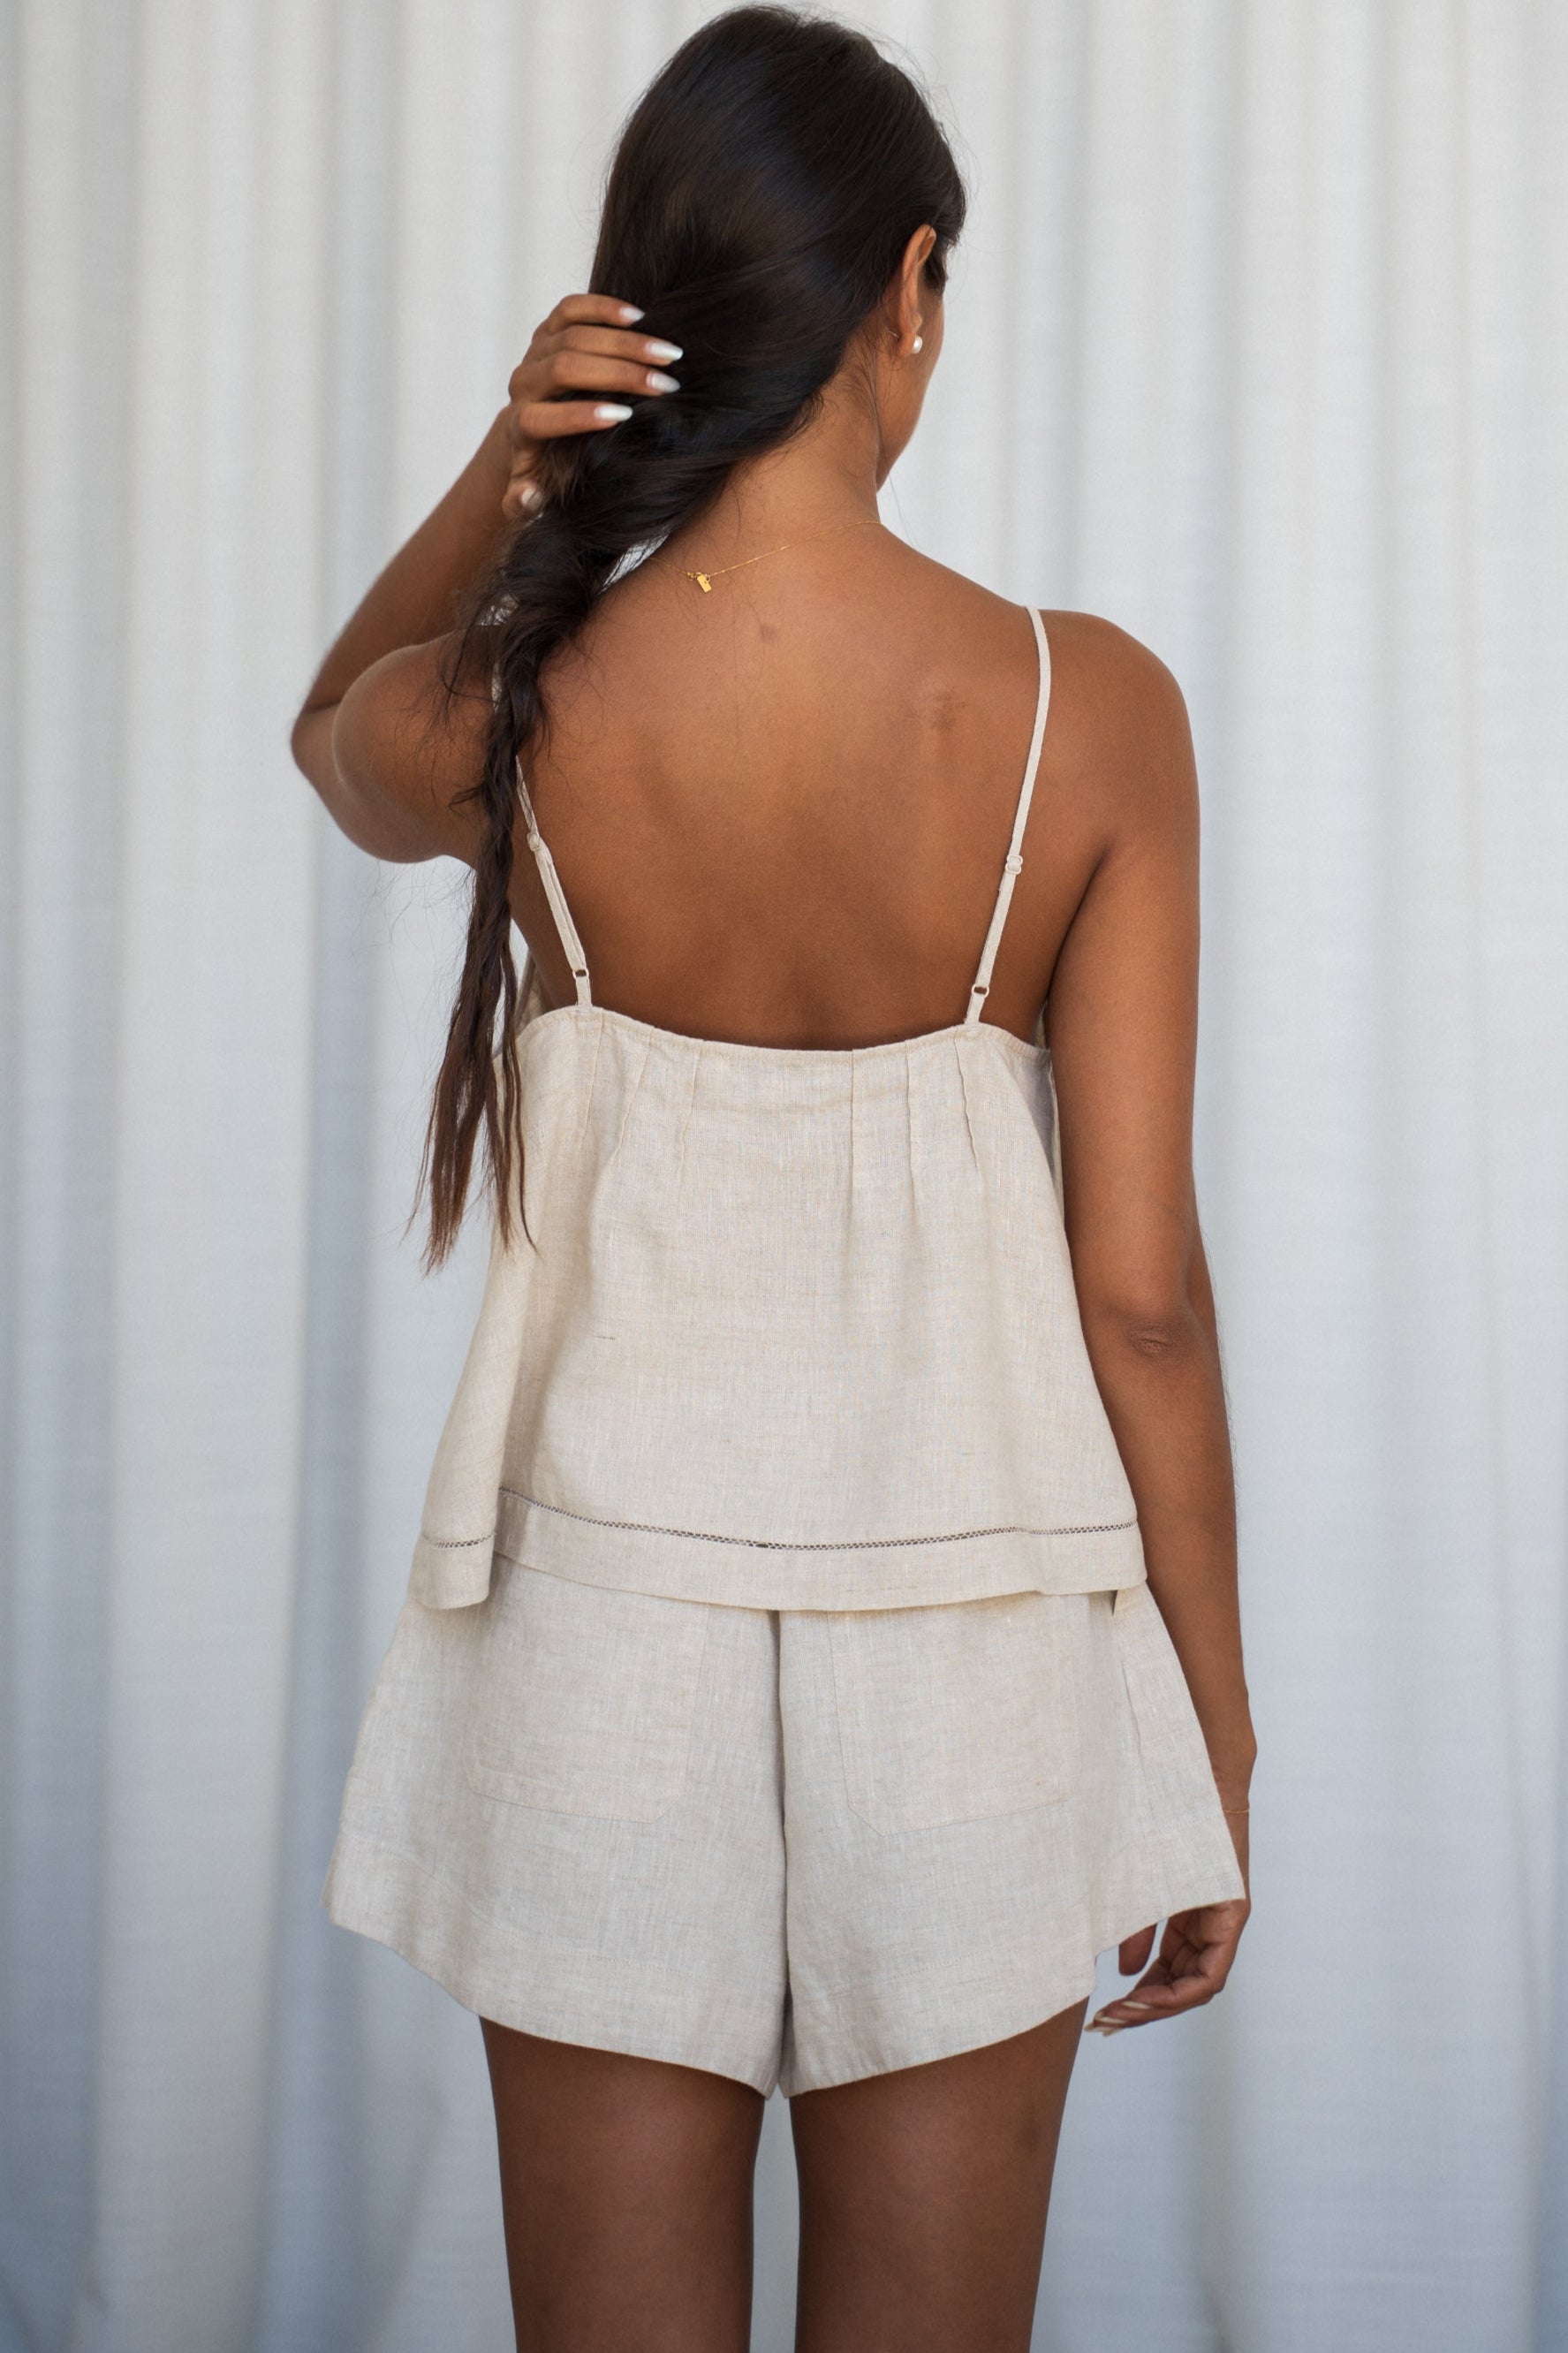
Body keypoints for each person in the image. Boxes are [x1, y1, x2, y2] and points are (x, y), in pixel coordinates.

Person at [291, 9, 1254, 2348]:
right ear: (909, 287)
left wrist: (512, 477)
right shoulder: (1084, 708)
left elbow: (335, 737)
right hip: (988, 1656)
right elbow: (1140, 1293)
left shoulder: (525, 694)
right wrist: (1209, 1722)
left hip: (591, 1636)